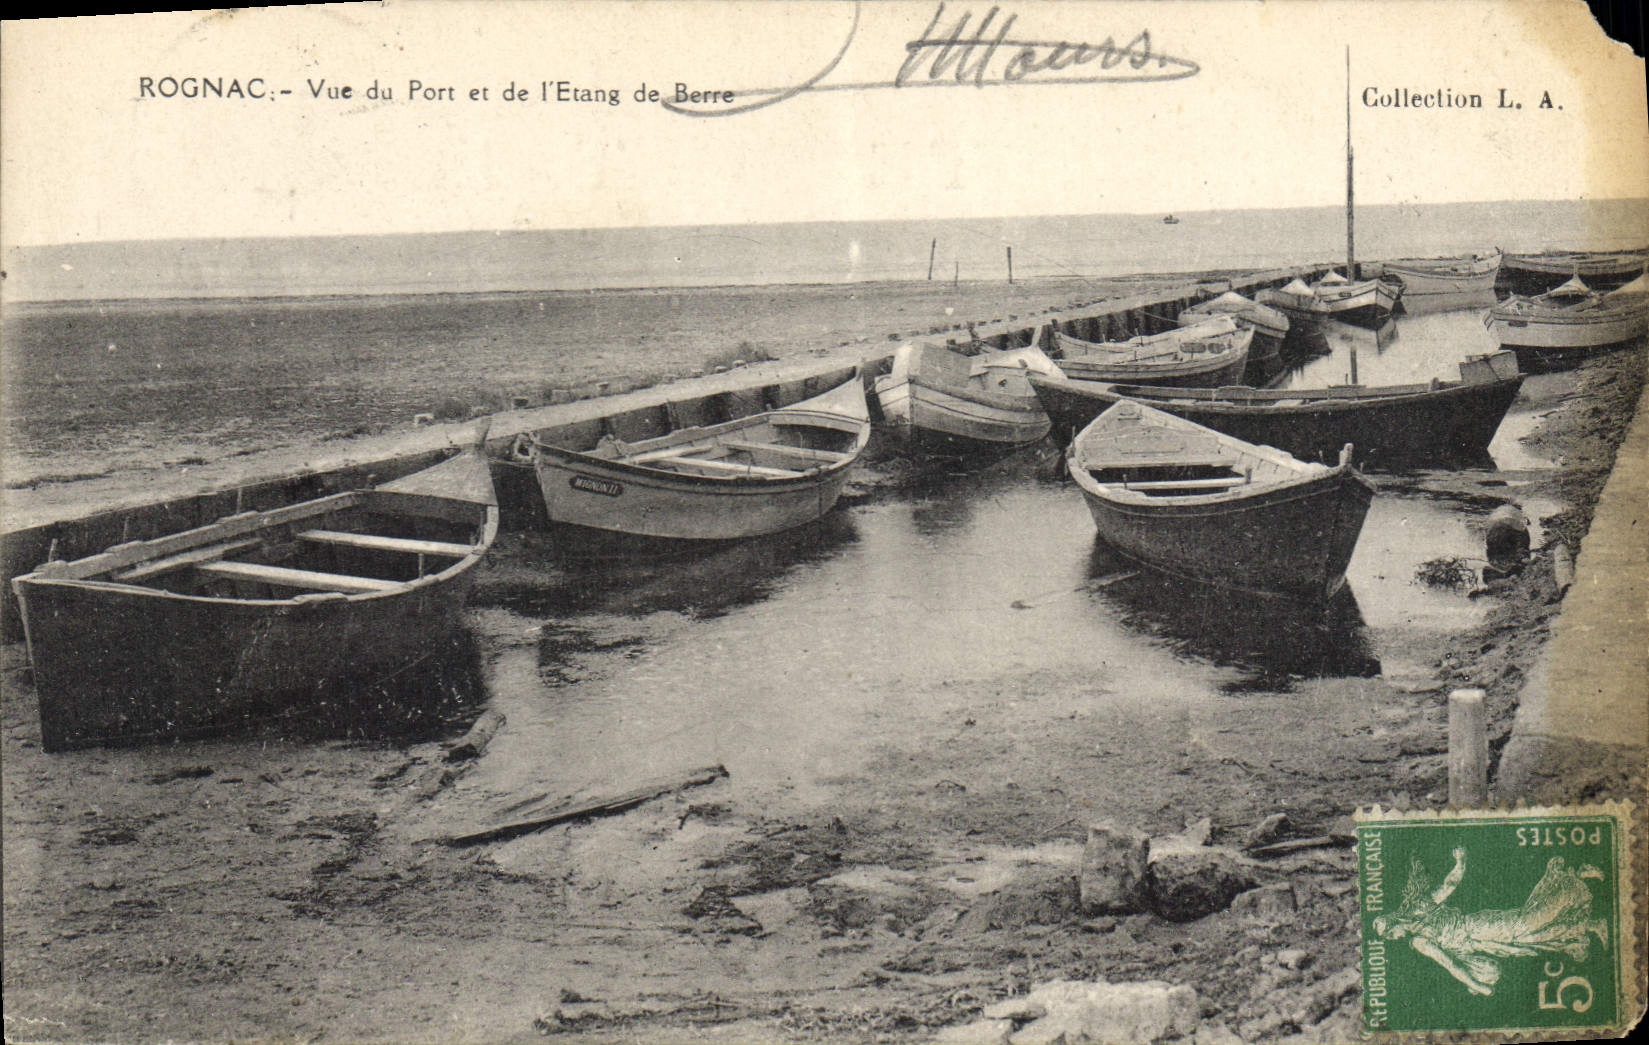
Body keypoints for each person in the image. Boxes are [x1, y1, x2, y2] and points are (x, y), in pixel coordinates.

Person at [1372, 848, 1608, 996]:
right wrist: (1477, 982)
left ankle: (1574, 877)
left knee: (1528, 923)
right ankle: (1590, 926)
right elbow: (1452, 963)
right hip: (1478, 944)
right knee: (1532, 939)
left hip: (1477, 927)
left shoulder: (1419, 912)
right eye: (1389, 938)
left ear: (1395, 923)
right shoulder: (1417, 940)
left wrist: (1460, 862)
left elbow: (1448, 887)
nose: (1394, 939)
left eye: (1390, 934)